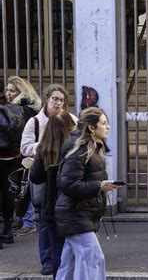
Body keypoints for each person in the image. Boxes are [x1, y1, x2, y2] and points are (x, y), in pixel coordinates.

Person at [20, 84, 77, 275]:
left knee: (59, 222)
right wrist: (45, 145)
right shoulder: (35, 122)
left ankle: (61, 261)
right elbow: (25, 147)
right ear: (46, 99)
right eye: (55, 99)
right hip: (46, 177)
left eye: (62, 100)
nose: (58, 103)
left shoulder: (71, 119)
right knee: (46, 221)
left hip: (65, 180)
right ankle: (47, 259)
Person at [55, 107, 117, 280]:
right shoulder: (81, 149)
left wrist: (99, 186)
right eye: (104, 123)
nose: (108, 127)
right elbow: (68, 184)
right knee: (93, 259)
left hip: (79, 214)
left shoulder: (92, 147)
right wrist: (99, 186)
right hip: (75, 215)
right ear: (91, 128)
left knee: (71, 263)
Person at [30, 111, 76, 277]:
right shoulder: (76, 147)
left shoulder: (44, 148)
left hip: (51, 206)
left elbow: (36, 178)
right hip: (74, 206)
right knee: (78, 252)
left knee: (57, 251)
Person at [0, 78, 39, 248]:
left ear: (22, 92)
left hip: (15, 157)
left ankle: (21, 224)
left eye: (12, 91)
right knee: (10, 193)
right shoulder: (27, 110)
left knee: (11, 193)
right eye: (7, 90)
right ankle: (10, 227)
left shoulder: (19, 111)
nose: (8, 94)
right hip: (16, 157)